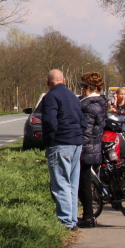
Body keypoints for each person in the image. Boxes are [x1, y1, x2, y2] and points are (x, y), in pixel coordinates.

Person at [40, 69, 86, 230]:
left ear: (47, 81)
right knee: (72, 184)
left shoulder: (51, 97)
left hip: (60, 143)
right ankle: (72, 220)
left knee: (60, 184)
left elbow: (49, 122)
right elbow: (83, 121)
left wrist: (48, 141)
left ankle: (65, 222)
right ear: (64, 80)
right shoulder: (73, 96)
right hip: (76, 143)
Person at [77, 72, 106, 229]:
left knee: (84, 183)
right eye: (82, 85)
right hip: (93, 147)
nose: (82, 89)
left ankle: (88, 217)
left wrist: (77, 147)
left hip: (86, 148)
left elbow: (86, 132)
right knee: (84, 181)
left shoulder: (90, 106)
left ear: (94, 88)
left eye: (85, 86)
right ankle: (87, 214)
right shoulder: (97, 103)